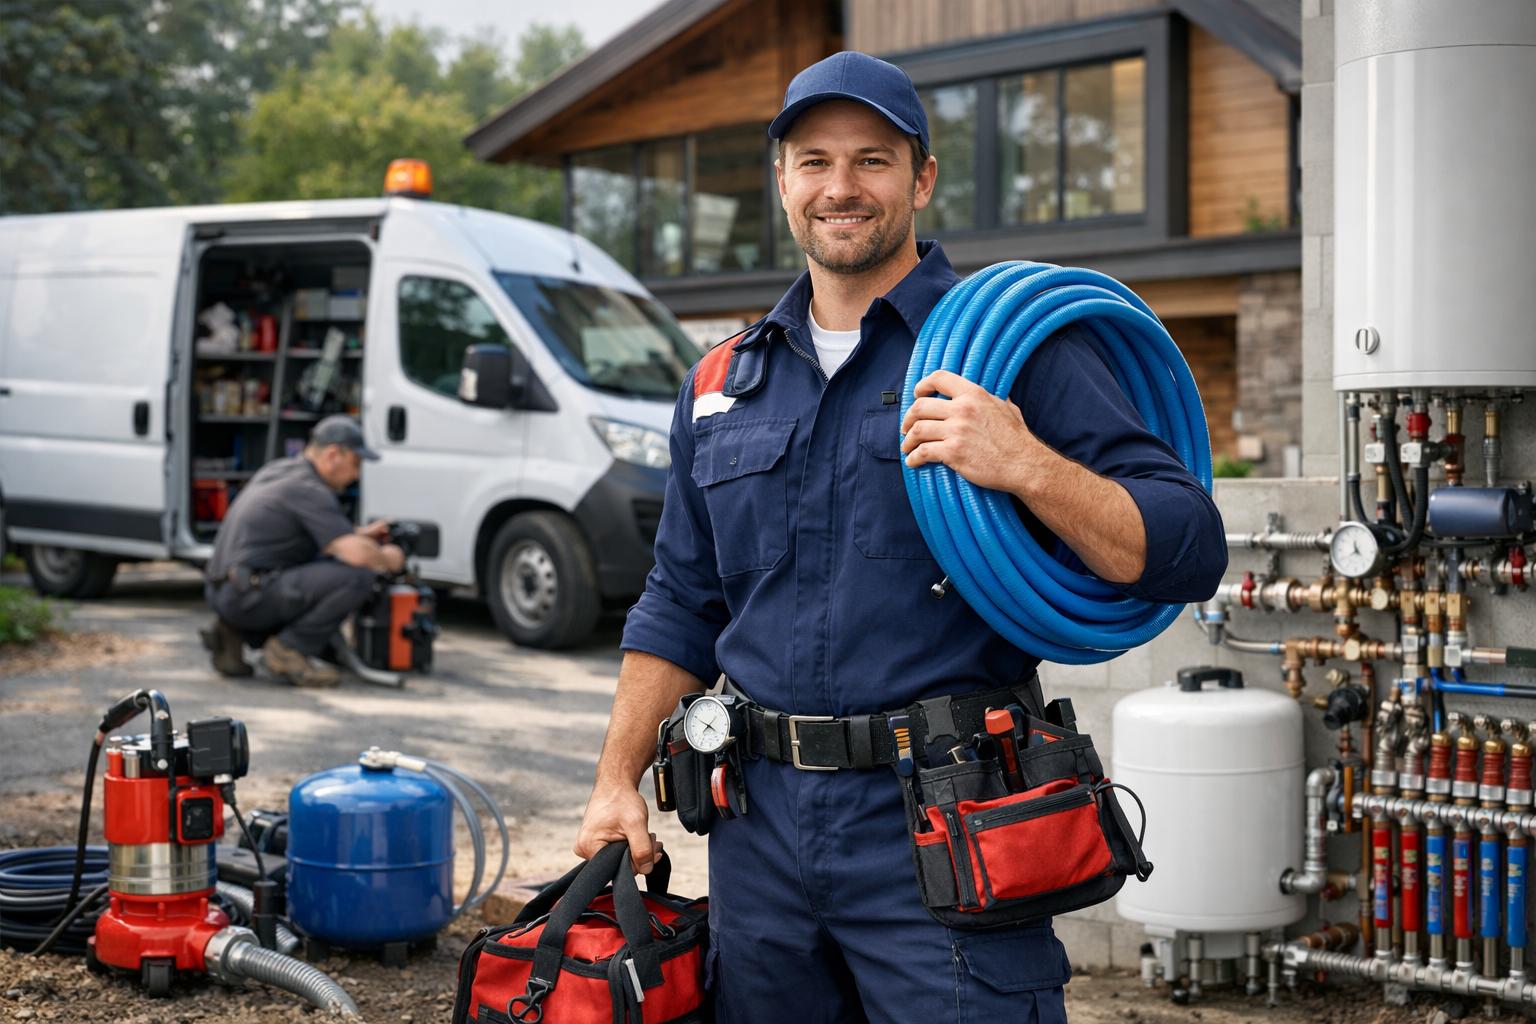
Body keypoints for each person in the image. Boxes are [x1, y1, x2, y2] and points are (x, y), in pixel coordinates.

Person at [574, 51, 1228, 1023]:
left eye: (872, 160)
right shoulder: (722, 383)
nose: (842, 187)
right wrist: (615, 779)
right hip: (759, 835)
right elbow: (680, 598)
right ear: (784, 182)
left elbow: (1186, 548)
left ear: (921, 179)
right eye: (815, 161)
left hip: (941, 824)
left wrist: (1025, 462)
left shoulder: (1015, 351)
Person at [201, 415, 404, 687]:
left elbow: (298, 529)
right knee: (357, 576)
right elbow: (358, 556)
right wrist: (390, 558)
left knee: (321, 566)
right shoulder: (310, 489)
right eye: (356, 464)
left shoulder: (280, 470)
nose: (357, 474)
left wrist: (359, 534)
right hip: (248, 596)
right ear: (334, 454)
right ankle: (288, 651)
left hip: (225, 589)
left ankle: (234, 631)